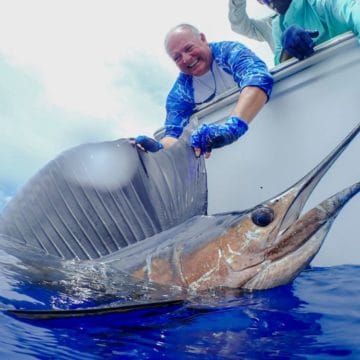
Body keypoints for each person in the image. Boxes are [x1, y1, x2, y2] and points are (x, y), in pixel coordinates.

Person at [135, 23, 273, 158]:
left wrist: (232, 128)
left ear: (202, 39)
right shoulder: (180, 93)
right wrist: (159, 148)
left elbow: (259, 78)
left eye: (189, 48)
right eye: (177, 58)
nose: (187, 59)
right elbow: (173, 135)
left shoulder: (230, 51)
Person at [258, 0, 360, 64]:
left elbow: (353, 10)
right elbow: (281, 66)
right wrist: (287, 52)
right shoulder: (278, 25)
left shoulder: (320, 3)